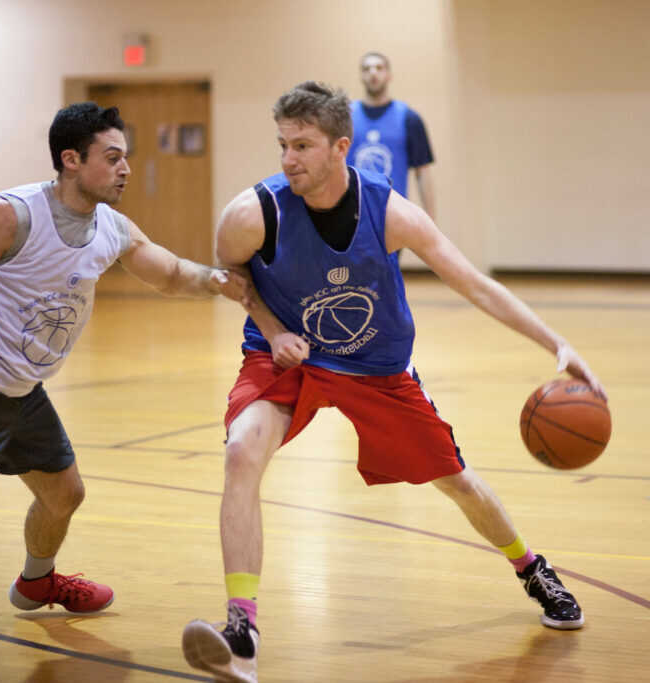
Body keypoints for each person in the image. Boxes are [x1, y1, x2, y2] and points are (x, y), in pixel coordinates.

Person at [181, 82, 607, 683]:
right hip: (288, 360)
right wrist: (273, 330)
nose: (288, 160)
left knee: (456, 481)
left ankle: (532, 568)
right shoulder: (252, 214)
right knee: (241, 452)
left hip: (375, 368)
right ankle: (241, 630)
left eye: (302, 145)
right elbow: (234, 275)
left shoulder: (391, 212)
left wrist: (559, 346)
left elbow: (477, 286)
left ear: (341, 147)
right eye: (282, 145)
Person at [0, 102, 249, 682]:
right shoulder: (12, 216)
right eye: (112, 158)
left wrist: (214, 280)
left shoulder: (110, 227)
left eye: (126, 157)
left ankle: (36, 582)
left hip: (21, 389)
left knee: (64, 494)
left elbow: (167, 273)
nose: (125, 169)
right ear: (71, 160)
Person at [347, 52, 436, 219]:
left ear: (389, 75)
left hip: (393, 218)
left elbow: (422, 173)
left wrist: (431, 222)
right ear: (361, 76)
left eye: (379, 68)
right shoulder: (346, 118)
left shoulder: (409, 118)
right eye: (367, 69)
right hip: (353, 217)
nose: (373, 72)